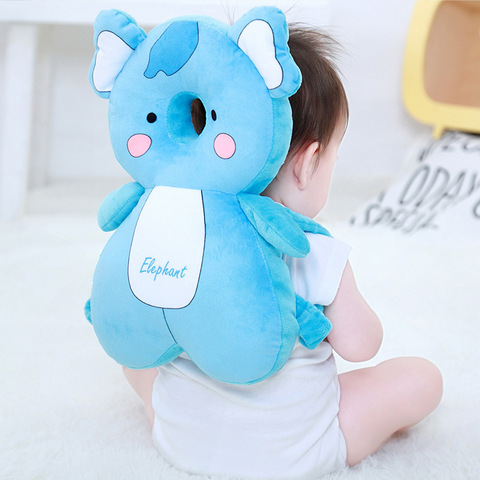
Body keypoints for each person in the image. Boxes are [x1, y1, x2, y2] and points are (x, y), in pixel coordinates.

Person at [123, 23, 443, 478]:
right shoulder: (312, 249)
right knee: (421, 377)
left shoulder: (168, 230)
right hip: (299, 453)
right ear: (309, 163)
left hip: (180, 441)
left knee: (134, 361)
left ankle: (170, 415)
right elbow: (361, 344)